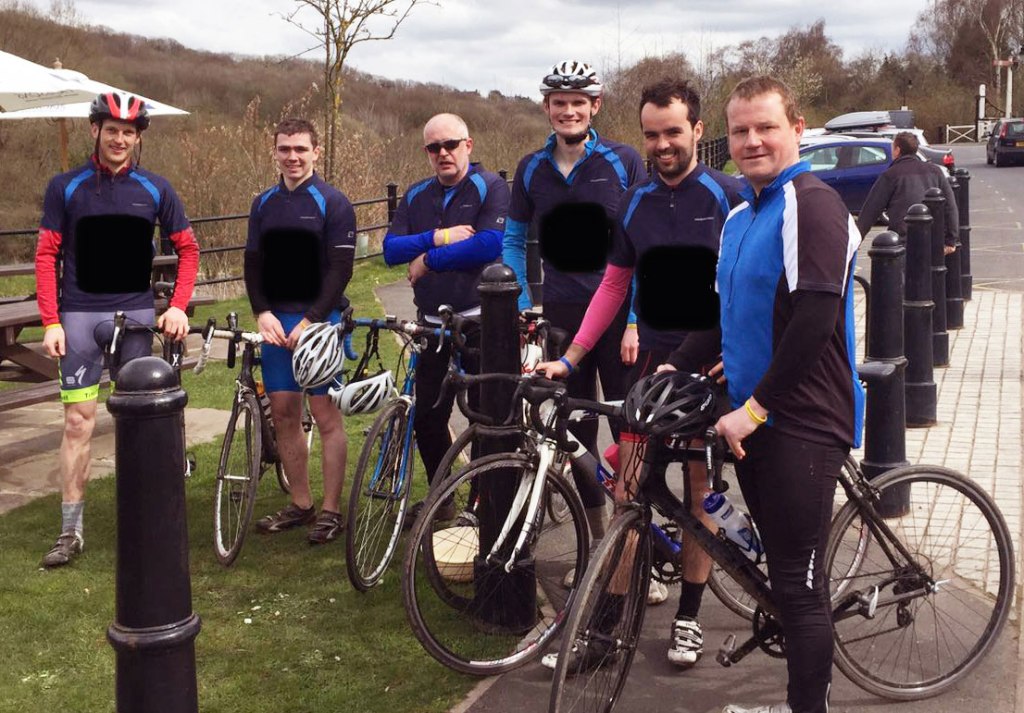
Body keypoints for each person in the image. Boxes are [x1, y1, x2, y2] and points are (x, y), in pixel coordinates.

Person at [668, 76, 864, 713]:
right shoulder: (740, 215)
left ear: (797, 129)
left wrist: (754, 411)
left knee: (799, 591)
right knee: (780, 575)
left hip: (803, 421)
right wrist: (673, 367)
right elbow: (722, 317)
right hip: (753, 421)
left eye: (766, 127)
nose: (752, 141)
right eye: (741, 131)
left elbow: (814, 321)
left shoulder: (812, 204)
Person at [538, 78, 744, 669]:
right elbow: (613, 285)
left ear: (698, 130)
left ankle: (688, 618)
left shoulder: (729, 196)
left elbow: (753, 284)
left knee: (701, 494)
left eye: (673, 132)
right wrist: (574, 356)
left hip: (710, 367)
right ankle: (607, 627)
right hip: (653, 365)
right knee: (628, 490)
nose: (662, 145)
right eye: (652, 135)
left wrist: (741, 351)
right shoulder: (634, 202)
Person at [35, 91, 200, 568]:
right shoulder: (65, 187)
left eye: (128, 132)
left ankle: (145, 521)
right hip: (80, 317)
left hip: (136, 317)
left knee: (140, 422)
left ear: (138, 137)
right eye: (112, 130)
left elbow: (189, 249)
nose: (120, 139)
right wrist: (50, 321)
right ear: (95, 131)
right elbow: (46, 255)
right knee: (77, 422)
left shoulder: (155, 188)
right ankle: (70, 531)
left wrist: (179, 306)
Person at [502, 59, 647, 569]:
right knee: (577, 432)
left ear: (595, 106)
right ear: (547, 107)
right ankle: (595, 550)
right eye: (559, 103)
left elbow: (644, 243)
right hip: (563, 316)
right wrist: (523, 304)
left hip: (620, 317)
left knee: (632, 430)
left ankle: (633, 554)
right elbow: (513, 239)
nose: (569, 111)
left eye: (578, 102)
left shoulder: (623, 161)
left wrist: (636, 320)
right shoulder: (531, 168)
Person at [382, 112, 508, 522]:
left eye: (450, 144)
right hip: (431, 323)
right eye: (434, 147)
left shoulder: (490, 187)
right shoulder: (417, 194)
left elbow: (488, 245)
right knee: (428, 416)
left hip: (479, 319)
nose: (443, 153)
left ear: (467, 145)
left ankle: (481, 502)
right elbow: (390, 250)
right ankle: (443, 495)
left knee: (483, 415)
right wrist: (438, 237)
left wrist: (428, 260)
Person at [244, 118, 356, 544]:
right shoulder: (263, 204)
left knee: (325, 415)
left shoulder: (334, 202)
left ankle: (331, 510)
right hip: (276, 322)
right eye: (285, 149)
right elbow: (253, 263)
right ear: (275, 152)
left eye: (300, 149)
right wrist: (262, 312)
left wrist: (311, 320)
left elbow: (341, 270)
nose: (292, 157)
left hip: (320, 322)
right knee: (285, 414)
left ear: (316, 152)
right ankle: (301, 503)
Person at [856, 131, 958, 254]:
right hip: (932, 238)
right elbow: (950, 206)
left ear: (897, 150)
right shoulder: (935, 171)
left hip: (903, 240)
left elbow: (871, 209)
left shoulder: (891, 175)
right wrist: (951, 239)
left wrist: (857, 239)